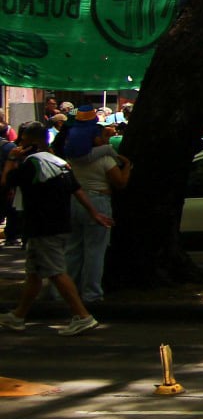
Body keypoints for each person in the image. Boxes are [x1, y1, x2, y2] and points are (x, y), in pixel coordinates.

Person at [0, 122, 111, 335]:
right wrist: (94, 213)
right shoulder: (59, 162)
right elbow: (77, 189)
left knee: (56, 271)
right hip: (58, 223)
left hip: (43, 226)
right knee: (34, 272)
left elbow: (7, 182)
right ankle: (18, 315)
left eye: (22, 142)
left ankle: (82, 315)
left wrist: (12, 159)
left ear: (29, 142)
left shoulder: (32, 164)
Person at [65, 118, 129, 304]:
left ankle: (68, 290)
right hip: (98, 200)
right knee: (95, 250)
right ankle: (91, 293)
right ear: (94, 138)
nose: (106, 140)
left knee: (73, 249)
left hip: (75, 200)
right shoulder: (105, 159)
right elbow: (120, 182)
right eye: (102, 136)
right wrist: (128, 168)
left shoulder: (74, 158)